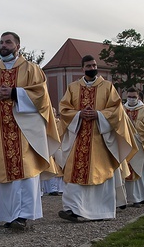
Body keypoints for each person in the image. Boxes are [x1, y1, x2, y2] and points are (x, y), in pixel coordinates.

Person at [0, 31, 60, 230]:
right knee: (3, 172)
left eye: (8, 42)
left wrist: (14, 93)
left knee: (25, 171)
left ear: (18, 46)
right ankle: (9, 215)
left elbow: (41, 95)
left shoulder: (31, 69)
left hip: (25, 132)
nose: (4, 45)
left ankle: (22, 215)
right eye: (1, 42)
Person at [57, 55, 136, 222]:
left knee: (100, 173)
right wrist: (79, 114)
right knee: (74, 172)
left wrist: (98, 114)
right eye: (88, 65)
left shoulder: (107, 87)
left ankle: (100, 211)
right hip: (78, 137)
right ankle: (73, 209)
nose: (92, 67)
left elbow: (116, 110)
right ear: (82, 68)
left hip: (100, 138)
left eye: (94, 65)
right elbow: (64, 109)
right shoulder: (73, 87)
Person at [122, 88, 144, 205]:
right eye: (129, 97)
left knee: (141, 170)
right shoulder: (122, 109)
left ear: (138, 98)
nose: (131, 99)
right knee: (127, 170)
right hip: (126, 144)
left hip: (140, 144)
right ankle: (130, 198)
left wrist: (133, 124)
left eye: (133, 97)